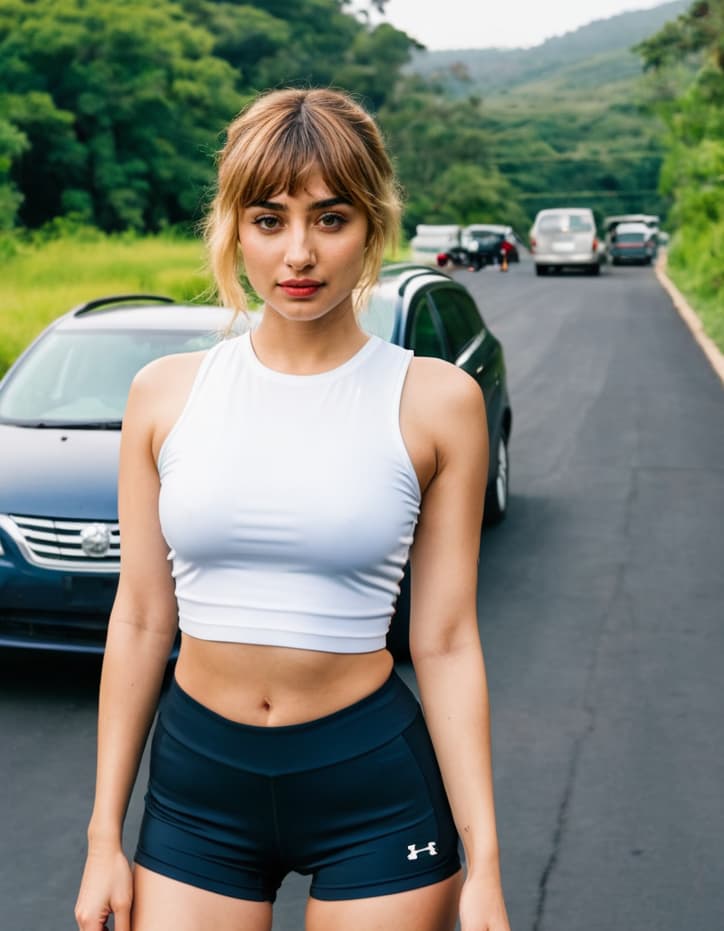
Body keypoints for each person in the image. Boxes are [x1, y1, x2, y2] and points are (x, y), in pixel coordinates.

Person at [75, 87, 511, 931]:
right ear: (234, 227)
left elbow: (447, 638)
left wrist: (485, 860)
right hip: (201, 787)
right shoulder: (163, 395)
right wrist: (103, 838)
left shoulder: (434, 400)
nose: (299, 254)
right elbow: (137, 620)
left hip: (372, 785)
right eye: (269, 219)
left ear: (373, 226)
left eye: (331, 217)